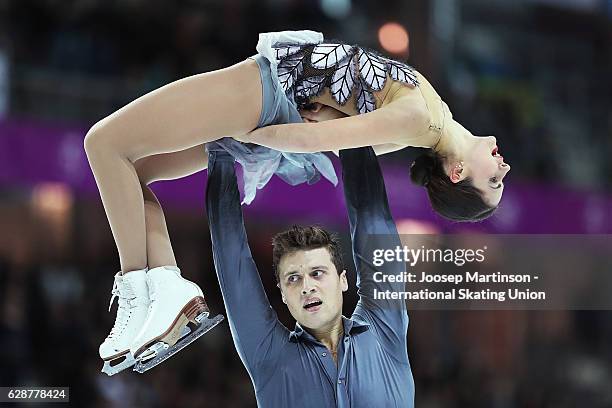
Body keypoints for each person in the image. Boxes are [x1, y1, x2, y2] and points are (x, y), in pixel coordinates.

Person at [84, 29, 509, 375]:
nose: (503, 168)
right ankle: (166, 289)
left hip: (266, 92)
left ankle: (137, 292)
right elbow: (346, 139)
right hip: (274, 99)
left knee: (104, 144)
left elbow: (313, 141)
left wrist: (250, 133)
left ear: (457, 175)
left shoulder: (423, 120)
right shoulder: (428, 124)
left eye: (493, 181)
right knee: (134, 176)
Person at [206, 145, 414, 407]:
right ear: (282, 293)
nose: (307, 287)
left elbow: (373, 224)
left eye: (317, 273)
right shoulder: (269, 355)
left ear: (343, 280)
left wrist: (352, 133)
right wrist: (222, 152)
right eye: (293, 278)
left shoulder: (384, 329)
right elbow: (231, 260)